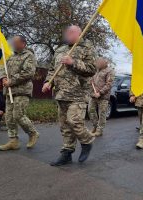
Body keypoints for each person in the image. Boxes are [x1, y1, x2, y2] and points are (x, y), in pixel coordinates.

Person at [42, 25, 96, 166]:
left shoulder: (87, 47)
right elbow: (53, 69)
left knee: (74, 121)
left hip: (78, 93)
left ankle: (87, 141)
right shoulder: (60, 50)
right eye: (67, 32)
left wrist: (73, 63)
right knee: (65, 126)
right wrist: (48, 82)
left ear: (79, 34)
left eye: (71, 32)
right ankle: (66, 153)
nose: (68, 35)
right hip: (61, 93)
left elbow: (92, 69)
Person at [0, 35, 39, 151]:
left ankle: (33, 133)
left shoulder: (29, 55)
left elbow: (28, 73)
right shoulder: (10, 56)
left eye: (16, 42)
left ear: (23, 43)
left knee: (18, 115)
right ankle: (13, 141)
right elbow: (2, 67)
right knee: (9, 117)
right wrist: (3, 78)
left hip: (22, 90)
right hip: (9, 90)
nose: (13, 45)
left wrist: (11, 81)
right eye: (13, 43)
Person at [88, 58, 115, 137]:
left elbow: (109, 84)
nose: (97, 63)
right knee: (90, 110)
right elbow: (92, 80)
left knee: (102, 113)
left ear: (105, 63)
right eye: (97, 62)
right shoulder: (96, 71)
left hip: (103, 97)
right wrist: (90, 82)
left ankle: (100, 130)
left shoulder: (110, 71)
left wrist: (100, 93)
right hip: (93, 95)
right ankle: (95, 126)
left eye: (99, 62)